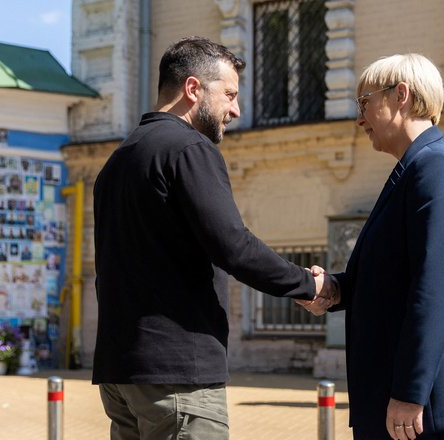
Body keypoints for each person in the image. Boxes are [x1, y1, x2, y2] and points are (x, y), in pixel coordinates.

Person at [92, 36, 329, 440]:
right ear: (192, 89)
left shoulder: (120, 159)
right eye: (230, 94)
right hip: (178, 376)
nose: (236, 110)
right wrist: (310, 285)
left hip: (122, 374)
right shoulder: (188, 149)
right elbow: (233, 245)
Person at [299, 54, 444, 440]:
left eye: (365, 103)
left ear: (400, 95)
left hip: (429, 407)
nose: (359, 119)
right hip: (407, 400)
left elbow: (435, 290)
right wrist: (335, 290)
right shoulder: (414, 168)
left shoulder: (437, 168)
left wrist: (410, 392)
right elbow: (392, 276)